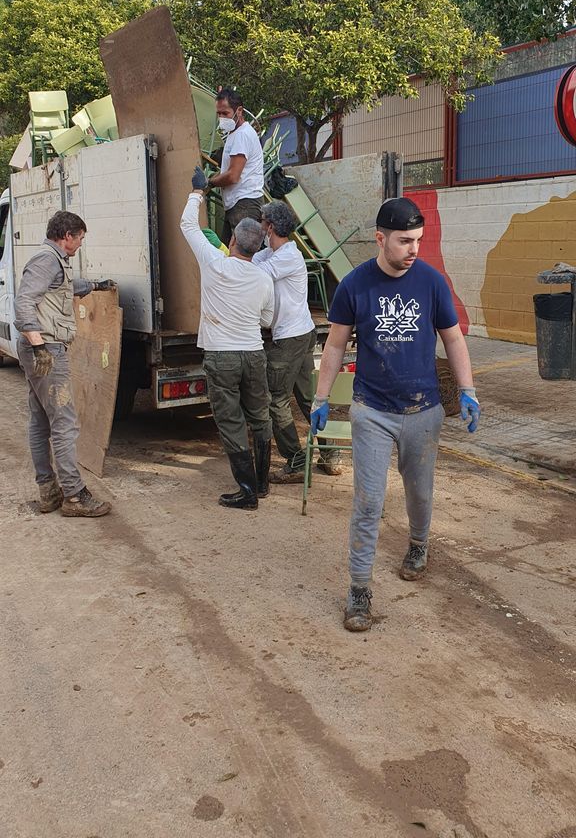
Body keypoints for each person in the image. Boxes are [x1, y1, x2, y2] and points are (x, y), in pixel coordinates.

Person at [311, 197, 481, 633]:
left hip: (423, 412)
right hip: (372, 411)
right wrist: (321, 397)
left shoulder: (431, 282)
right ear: (380, 238)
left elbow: (454, 340)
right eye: (405, 241)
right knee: (368, 502)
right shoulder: (354, 285)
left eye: (418, 241)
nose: (413, 250)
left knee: (419, 495)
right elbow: (334, 346)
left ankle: (419, 545)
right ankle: (359, 590)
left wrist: (467, 391)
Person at [181, 167, 275, 510]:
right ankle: (262, 484)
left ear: (232, 241)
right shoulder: (264, 279)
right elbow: (267, 319)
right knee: (259, 416)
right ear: (257, 247)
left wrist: (197, 192)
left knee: (231, 420)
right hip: (253, 354)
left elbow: (189, 227)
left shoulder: (215, 263)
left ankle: (247, 492)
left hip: (222, 356)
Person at [14, 211, 116, 517]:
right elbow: (23, 303)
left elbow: (62, 287)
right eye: (81, 237)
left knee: (41, 421)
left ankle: (49, 492)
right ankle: (74, 495)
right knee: (65, 422)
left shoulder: (55, 262)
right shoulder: (46, 259)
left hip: (39, 350)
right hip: (45, 351)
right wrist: (39, 345)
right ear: (67, 235)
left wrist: (95, 285)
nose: (81, 243)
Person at [253, 200, 341, 483]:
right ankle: (329, 453)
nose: (260, 227)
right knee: (306, 397)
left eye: (263, 222)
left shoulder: (287, 257)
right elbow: (255, 261)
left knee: (275, 401)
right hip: (300, 332)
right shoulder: (272, 252)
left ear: (272, 227)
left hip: (290, 338)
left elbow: (253, 273)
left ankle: (295, 459)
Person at [205, 87, 264, 246]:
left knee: (240, 259)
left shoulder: (243, 135)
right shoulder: (235, 134)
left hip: (245, 204)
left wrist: (210, 182)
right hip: (238, 204)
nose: (222, 118)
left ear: (239, 111)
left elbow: (232, 176)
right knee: (228, 255)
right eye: (219, 114)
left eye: (225, 113)